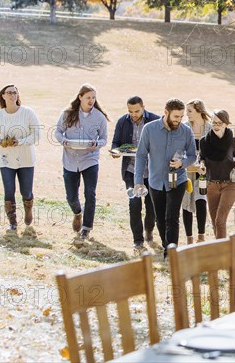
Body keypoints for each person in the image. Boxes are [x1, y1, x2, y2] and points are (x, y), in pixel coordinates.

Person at [133, 98, 196, 259]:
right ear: (166, 112)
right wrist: (138, 180)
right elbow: (140, 155)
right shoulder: (149, 129)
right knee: (160, 218)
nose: (179, 120)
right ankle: (166, 245)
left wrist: (182, 163)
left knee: (172, 216)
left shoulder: (186, 131)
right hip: (155, 181)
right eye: (176, 116)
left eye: (181, 117)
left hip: (178, 180)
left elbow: (192, 155)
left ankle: (171, 253)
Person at [55, 84, 109, 241]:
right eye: (88, 97)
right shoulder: (68, 114)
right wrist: (64, 141)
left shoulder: (99, 117)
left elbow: (104, 139)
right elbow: (58, 131)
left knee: (90, 194)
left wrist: (96, 144)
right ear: (80, 97)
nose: (91, 100)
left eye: (93, 97)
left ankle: (86, 228)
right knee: (71, 197)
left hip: (90, 159)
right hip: (70, 159)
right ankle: (77, 213)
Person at [0, 84, 41, 234]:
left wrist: (20, 142)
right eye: (9, 93)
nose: (12, 95)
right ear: (3, 96)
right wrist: (0, 141)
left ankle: (28, 209)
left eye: (15, 93)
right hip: (6, 159)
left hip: (26, 158)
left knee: (26, 192)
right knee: (9, 190)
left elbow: (37, 135)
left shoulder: (28, 113)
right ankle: (12, 223)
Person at [111, 96, 159, 250]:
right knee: (134, 204)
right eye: (130, 111)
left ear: (143, 107)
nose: (133, 114)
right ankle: (137, 239)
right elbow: (115, 143)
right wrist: (115, 151)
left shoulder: (155, 121)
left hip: (152, 172)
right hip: (132, 170)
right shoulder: (122, 122)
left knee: (151, 206)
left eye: (137, 111)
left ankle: (149, 229)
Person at [198, 110, 235, 239]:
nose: (216, 126)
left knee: (220, 220)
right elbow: (202, 158)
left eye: (219, 123)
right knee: (215, 222)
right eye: (214, 123)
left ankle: (224, 255)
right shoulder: (204, 141)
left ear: (226, 124)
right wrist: (202, 165)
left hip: (231, 184)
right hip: (212, 184)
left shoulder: (233, 141)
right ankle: (222, 252)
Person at [181, 100, 212, 244]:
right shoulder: (184, 127)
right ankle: (189, 237)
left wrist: (204, 164)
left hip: (203, 170)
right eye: (186, 111)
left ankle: (201, 235)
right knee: (186, 201)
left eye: (190, 111)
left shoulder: (209, 129)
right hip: (187, 169)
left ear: (199, 111)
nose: (186, 114)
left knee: (201, 200)